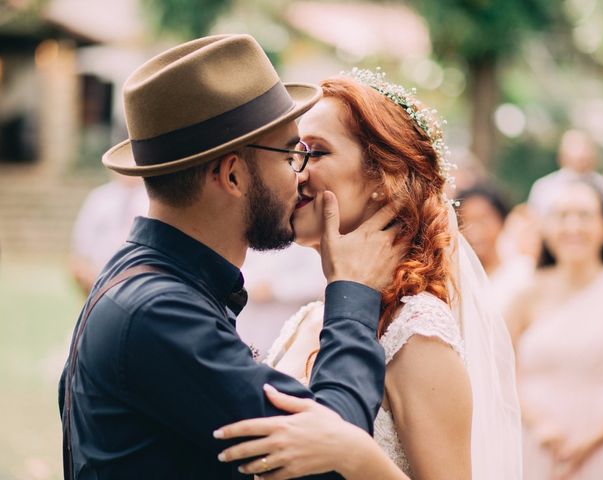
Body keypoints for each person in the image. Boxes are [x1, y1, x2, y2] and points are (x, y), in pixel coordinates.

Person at [58, 35, 405, 480]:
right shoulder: (159, 312)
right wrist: (353, 295)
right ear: (234, 174)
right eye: (289, 154)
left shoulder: (146, 282)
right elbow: (329, 457)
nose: (300, 177)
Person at [215, 70, 522, 479]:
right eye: (294, 154)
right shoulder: (313, 316)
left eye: (316, 153)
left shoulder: (416, 333)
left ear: (383, 177)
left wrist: (355, 455)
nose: (297, 173)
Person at [506, 180, 603, 479]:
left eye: (585, 215)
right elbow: (500, 370)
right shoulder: (524, 294)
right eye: (562, 215)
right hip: (538, 442)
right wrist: (539, 423)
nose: (573, 226)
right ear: (545, 227)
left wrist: (592, 439)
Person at [457, 184, 534, 314]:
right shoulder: (456, 279)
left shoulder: (523, 271)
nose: (474, 231)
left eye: (482, 221)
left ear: (501, 220)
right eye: (464, 222)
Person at [70, 172, 148, 295]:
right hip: (99, 279)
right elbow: (81, 241)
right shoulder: (99, 198)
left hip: (139, 282)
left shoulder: (152, 200)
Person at [528, 130, 603, 217]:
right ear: (561, 157)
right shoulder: (544, 188)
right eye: (575, 148)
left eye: (585, 149)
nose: (582, 154)